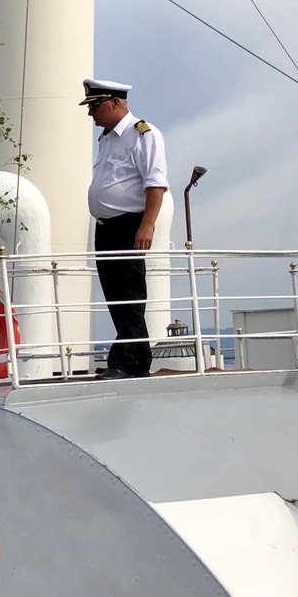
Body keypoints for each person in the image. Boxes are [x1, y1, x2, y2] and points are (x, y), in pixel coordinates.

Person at [82, 78, 168, 379]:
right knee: (115, 296)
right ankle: (133, 359)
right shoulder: (107, 138)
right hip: (105, 226)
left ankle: (128, 362)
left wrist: (147, 226)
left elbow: (155, 184)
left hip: (128, 225)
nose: (91, 113)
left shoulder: (143, 134)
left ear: (114, 103)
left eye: (95, 106)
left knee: (129, 295)